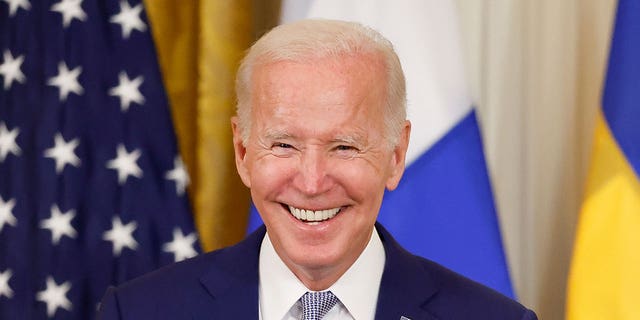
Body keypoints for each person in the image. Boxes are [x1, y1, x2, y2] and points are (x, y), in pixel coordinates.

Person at [96, 19, 537, 320]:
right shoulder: (139, 312)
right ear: (243, 151)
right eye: (284, 145)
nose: (311, 182)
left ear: (396, 154)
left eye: (344, 146)